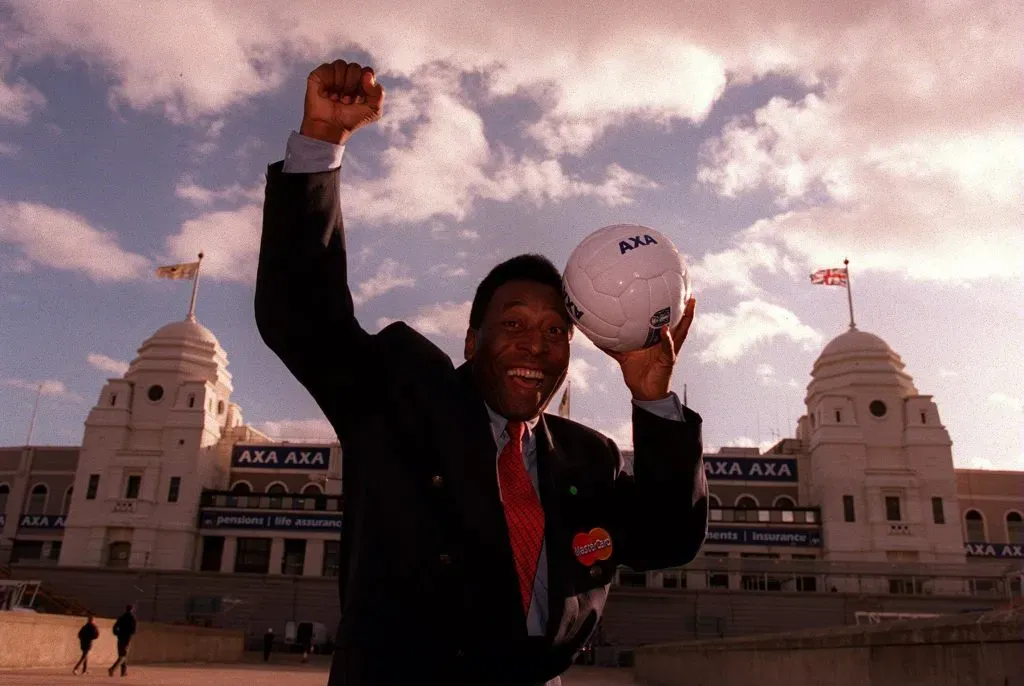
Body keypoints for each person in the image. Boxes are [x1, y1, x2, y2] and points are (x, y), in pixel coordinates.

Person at [255, 58, 708, 686]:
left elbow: (667, 539)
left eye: (556, 332)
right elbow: (302, 316)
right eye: (514, 324)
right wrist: (321, 145)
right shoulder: (404, 401)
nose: (536, 347)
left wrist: (654, 400)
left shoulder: (589, 459)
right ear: (472, 339)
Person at [108, 604, 136, 677]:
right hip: (126, 639)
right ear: (132, 610)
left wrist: (117, 633)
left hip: (120, 638)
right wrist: (129, 633)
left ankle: (123, 672)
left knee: (122, 654)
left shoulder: (121, 617)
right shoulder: (132, 618)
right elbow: (133, 630)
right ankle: (112, 669)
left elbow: (115, 627)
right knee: (123, 656)